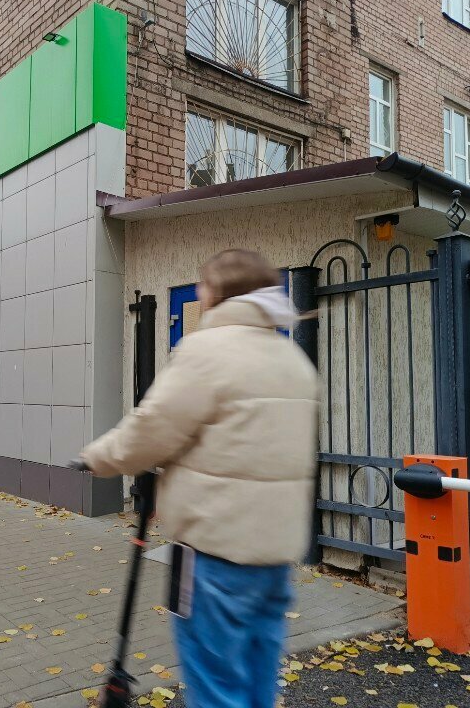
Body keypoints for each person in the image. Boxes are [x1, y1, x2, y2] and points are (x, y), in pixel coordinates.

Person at [81, 249, 319, 708]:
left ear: (219, 292)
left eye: (204, 284)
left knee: (216, 690)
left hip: (213, 556)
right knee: (257, 687)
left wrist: (96, 458)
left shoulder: (206, 351)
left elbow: (150, 431)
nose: (200, 292)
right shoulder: (293, 360)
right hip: (274, 559)